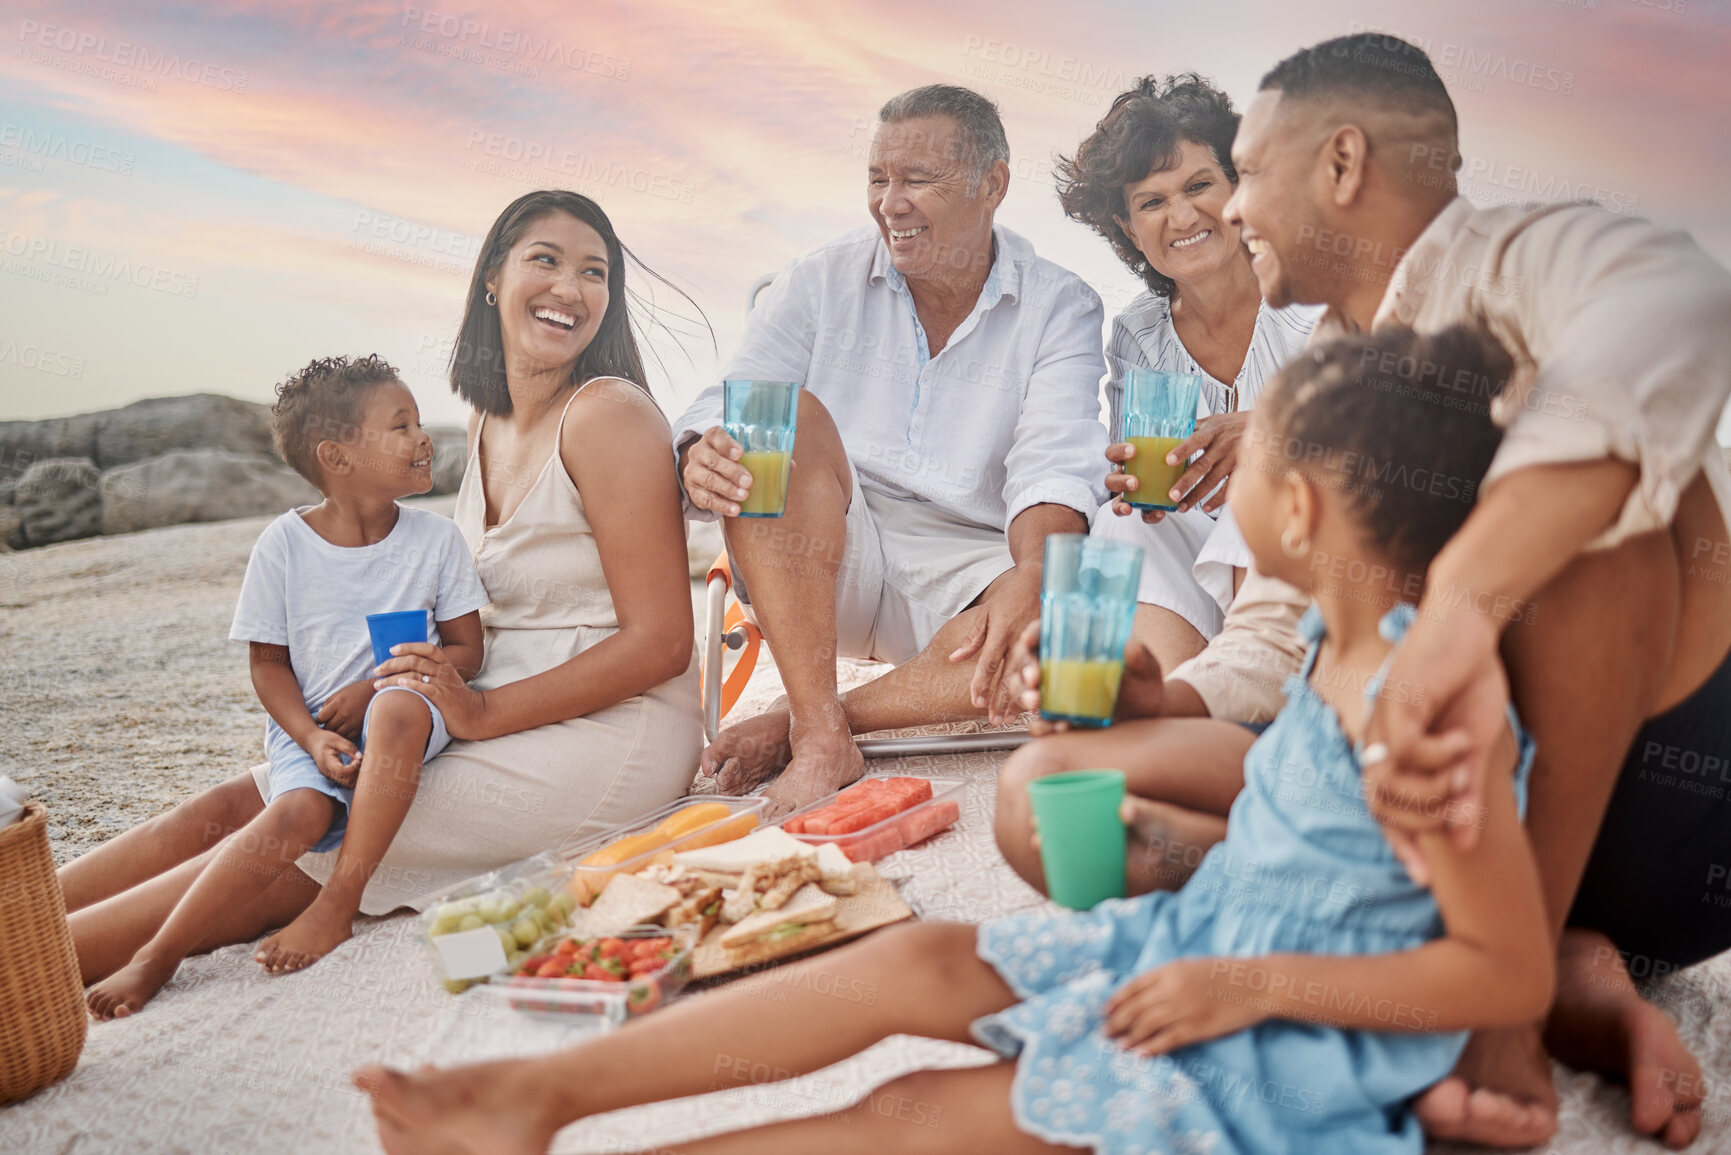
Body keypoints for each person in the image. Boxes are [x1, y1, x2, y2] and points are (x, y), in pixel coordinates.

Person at [355, 323, 1553, 1155]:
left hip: (1262, 1041)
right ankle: (542, 1094)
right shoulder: (1339, 647)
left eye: (1256, 449)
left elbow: (1500, 968)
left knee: (916, 1119)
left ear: (1296, 508)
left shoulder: (1434, 702)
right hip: (1201, 942)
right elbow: (1306, 797)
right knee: (915, 962)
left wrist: (1237, 980)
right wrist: (1138, 707)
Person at [1008, 32, 1731, 1150]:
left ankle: (1516, 987)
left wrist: (1458, 610)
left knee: (1609, 520)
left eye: (1242, 171)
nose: (1232, 208)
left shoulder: (1525, 255)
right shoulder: (1313, 374)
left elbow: (1680, 305)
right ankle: (1528, 966)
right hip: (1430, 825)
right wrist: (1173, 703)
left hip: (1662, 802)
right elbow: (1279, 615)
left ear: (1342, 164)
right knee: (1048, 794)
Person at [59, 191, 705, 979]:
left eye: (594, 272)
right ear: (493, 278)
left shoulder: (608, 414)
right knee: (247, 798)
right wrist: (395, 683)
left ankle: (24, 965)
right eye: (546, 259)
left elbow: (664, 642)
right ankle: (21, 904)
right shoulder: (485, 422)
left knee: (302, 833)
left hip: (607, 734)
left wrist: (481, 711)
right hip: (486, 705)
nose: (570, 288)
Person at [677, 84, 1108, 812]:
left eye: (916, 180)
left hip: (969, 565)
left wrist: (1034, 572)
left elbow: (1054, 462)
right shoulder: (819, 278)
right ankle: (821, 739)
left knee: (1075, 624)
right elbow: (723, 402)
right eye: (878, 180)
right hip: (826, 549)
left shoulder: (1059, 302)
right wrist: (698, 453)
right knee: (778, 420)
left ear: (990, 184)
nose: (889, 203)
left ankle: (805, 722)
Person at [81, 356, 489, 1017]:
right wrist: (310, 736)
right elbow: (267, 664)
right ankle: (156, 957)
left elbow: (467, 650)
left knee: (395, 709)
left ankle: (339, 903)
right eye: (400, 424)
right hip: (309, 727)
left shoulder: (436, 540)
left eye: (418, 421)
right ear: (337, 456)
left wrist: (382, 683)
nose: (422, 438)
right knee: (300, 813)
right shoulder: (284, 545)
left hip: (409, 709)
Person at [1056, 73, 1320, 668]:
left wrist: (1273, 430)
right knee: (1119, 528)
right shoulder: (1138, 332)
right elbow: (1155, 487)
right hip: (1218, 564)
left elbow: (1395, 423)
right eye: (1151, 202)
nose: (1181, 215)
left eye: (1199, 184)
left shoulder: (1312, 299)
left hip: (1324, 551)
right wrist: (1133, 487)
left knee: (1268, 480)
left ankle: (1245, 685)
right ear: (1127, 227)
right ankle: (1176, 700)